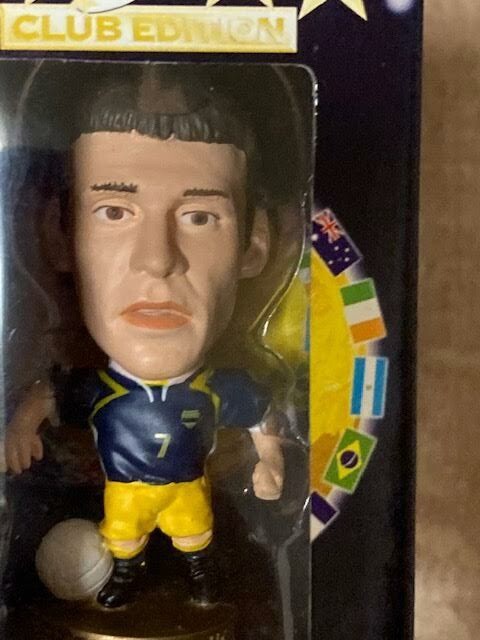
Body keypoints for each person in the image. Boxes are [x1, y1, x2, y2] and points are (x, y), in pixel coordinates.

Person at [3, 66, 286, 609]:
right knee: (124, 538)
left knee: (195, 535)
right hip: (126, 494)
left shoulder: (214, 388)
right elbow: (50, 397)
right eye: (114, 212)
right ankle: (126, 577)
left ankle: (203, 578)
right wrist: (17, 429)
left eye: (200, 217)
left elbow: (259, 414)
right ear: (61, 238)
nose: (157, 259)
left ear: (252, 247)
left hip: (187, 491)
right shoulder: (100, 389)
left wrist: (270, 461)